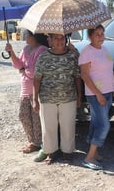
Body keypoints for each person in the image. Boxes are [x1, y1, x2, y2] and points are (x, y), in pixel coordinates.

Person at [33, 33, 82, 164]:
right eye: (56, 38)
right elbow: (37, 79)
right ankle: (51, 152)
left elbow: (78, 77)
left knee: (68, 126)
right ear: (50, 41)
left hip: (69, 97)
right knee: (49, 127)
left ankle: (67, 152)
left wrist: (79, 97)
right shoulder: (43, 57)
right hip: (47, 98)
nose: (60, 40)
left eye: (62, 38)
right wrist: (34, 99)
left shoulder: (72, 56)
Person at [78, 24, 114, 170]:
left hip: (107, 92)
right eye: (97, 34)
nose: (101, 37)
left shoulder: (104, 49)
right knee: (104, 125)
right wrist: (99, 94)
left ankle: (94, 153)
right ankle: (88, 157)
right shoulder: (87, 52)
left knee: (96, 123)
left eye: (102, 33)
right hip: (96, 95)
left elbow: (108, 71)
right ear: (90, 36)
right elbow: (85, 75)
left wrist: (113, 87)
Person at [5, 30, 49, 155]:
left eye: (27, 35)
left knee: (36, 118)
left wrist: (24, 69)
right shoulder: (26, 49)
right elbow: (18, 65)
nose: (25, 37)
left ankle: (37, 143)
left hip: (36, 90)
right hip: (25, 89)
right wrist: (11, 52)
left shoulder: (42, 50)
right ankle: (33, 141)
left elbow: (36, 72)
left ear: (34, 36)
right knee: (23, 115)